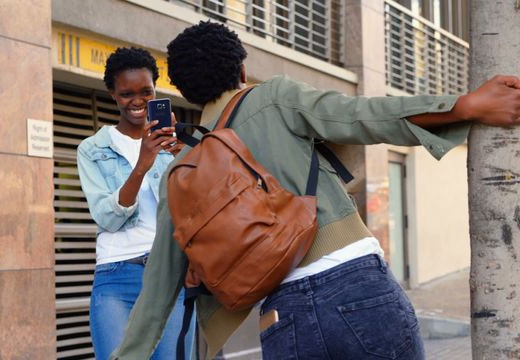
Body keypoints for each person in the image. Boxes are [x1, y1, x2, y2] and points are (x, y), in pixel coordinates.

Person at [110, 22, 520, 360]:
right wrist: (465, 106)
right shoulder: (274, 98)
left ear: (184, 93)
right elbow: (364, 116)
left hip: (281, 315)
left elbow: (157, 292)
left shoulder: (181, 172)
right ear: (241, 71)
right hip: (357, 288)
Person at [76, 47, 193, 360]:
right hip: (116, 277)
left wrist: (185, 152)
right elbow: (107, 217)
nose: (138, 101)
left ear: (155, 90)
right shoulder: (93, 149)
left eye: (146, 91)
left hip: (170, 273)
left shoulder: (175, 145)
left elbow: (198, 206)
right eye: (127, 93)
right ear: (113, 95)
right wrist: (143, 163)